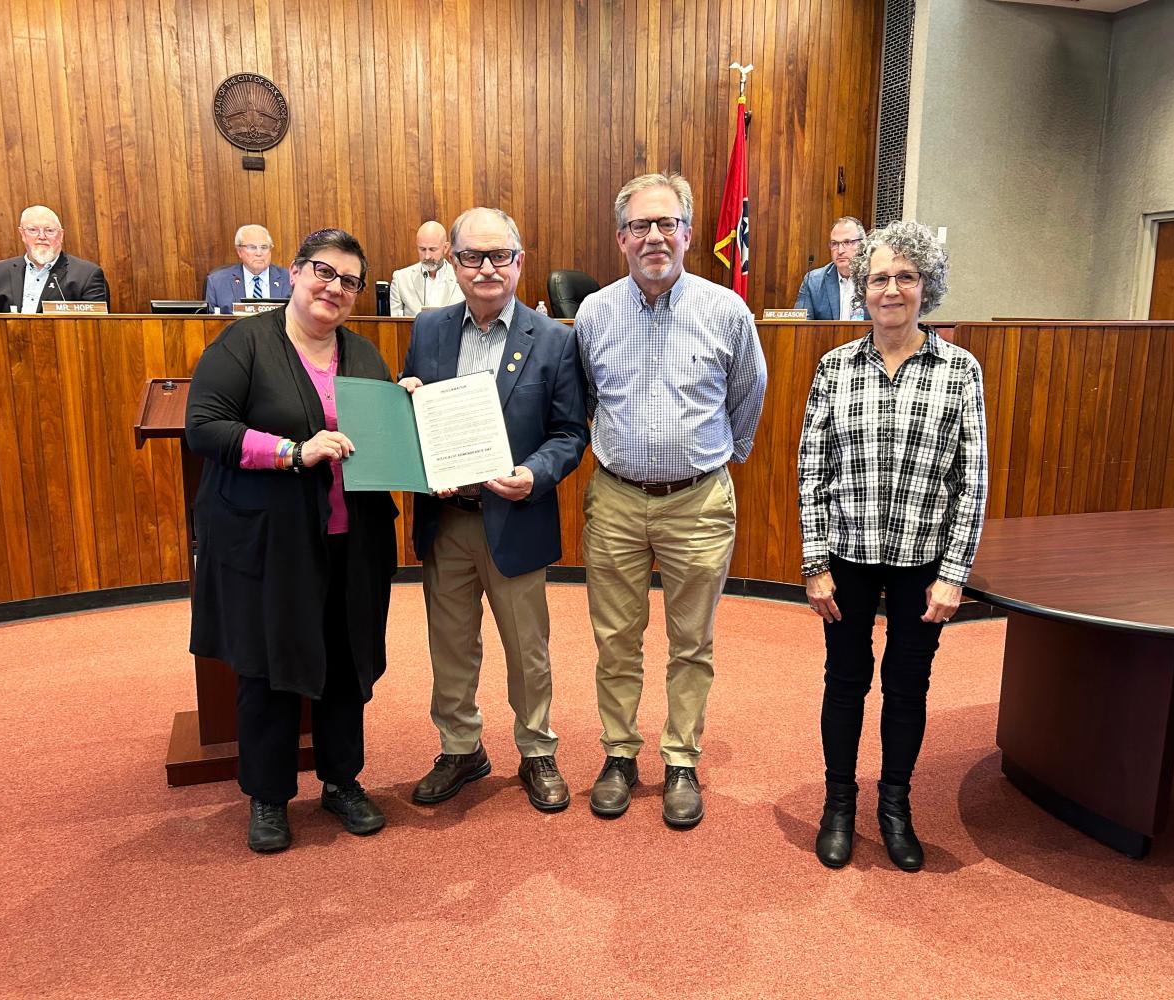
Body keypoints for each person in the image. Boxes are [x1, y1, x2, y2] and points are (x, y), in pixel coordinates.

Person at [186, 228, 400, 853]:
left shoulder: (364, 356)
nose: (334, 288)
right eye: (324, 272)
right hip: (271, 544)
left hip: (349, 540)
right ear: (296, 272)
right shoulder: (245, 344)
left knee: (345, 662)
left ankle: (341, 783)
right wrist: (289, 452)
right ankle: (269, 796)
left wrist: (403, 410)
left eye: (350, 281)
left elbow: (383, 440)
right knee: (270, 667)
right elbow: (205, 427)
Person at [574, 173, 767, 829]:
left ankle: (681, 759)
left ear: (687, 233)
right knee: (616, 641)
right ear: (621, 238)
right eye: (639, 226)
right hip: (618, 501)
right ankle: (620, 756)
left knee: (693, 642)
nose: (653, 237)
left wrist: (718, 455)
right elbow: (587, 402)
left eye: (666, 224)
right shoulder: (595, 313)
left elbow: (749, 395)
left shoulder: (726, 310)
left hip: (698, 502)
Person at [797, 220, 987, 872]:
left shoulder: (960, 371)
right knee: (844, 681)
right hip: (847, 554)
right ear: (861, 286)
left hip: (923, 562)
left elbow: (973, 480)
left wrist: (953, 573)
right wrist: (815, 563)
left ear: (925, 285)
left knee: (907, 686)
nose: (891, 289)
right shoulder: (835, 368)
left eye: (906, 276)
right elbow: (811, 470)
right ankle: (840, 805)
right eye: (879, 277)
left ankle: (896, 807)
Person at [399, 207, 587, 813]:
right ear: (452, 262)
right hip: (447, 520)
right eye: (473, 257)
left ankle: (536, 750)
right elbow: (416, 416)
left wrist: (535, 474)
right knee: (450, 644)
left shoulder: (555, 338)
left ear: (519, 261)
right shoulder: (428, 330)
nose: (486, 268)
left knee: (526, 647)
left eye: (499, 256)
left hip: (515, 518)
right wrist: (407, 403)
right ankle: (461, 748)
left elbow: (569, 433)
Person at [0, 205, 108, 313]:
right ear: (22, 234)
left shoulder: (87, 275)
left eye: (49, 230)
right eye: (33, 230)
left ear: (61, 235)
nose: (41, 236)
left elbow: (95, 328)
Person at [202, 224, 292, 313]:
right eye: (252, 247)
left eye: (264, 247)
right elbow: (211, 324)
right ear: (239, 251)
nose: (259, 253)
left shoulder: (290, 279)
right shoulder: (217, 282)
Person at [793, 216, 868, 321]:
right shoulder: (814, 281)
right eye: (835, 244)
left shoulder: (875, 277)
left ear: (862, 244)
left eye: (847, 242)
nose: (840, 250)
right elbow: (800, 327)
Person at [389, 220, 465, 316]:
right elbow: (394, 324)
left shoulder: (461, 276)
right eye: (422, 249)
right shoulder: (401, 279)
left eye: (432, 249)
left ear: (445, 248)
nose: (427, 256)